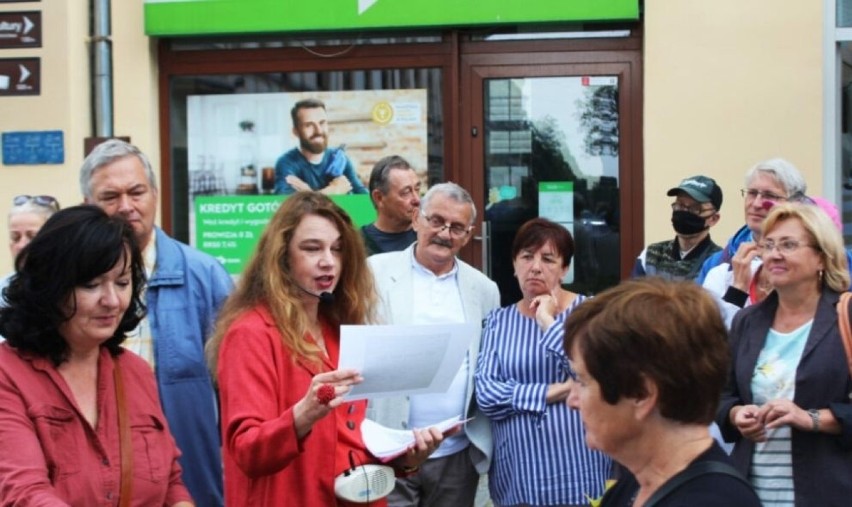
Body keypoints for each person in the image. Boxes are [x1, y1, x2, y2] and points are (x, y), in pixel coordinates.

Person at [206, 192, 442, 506]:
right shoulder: (250, 333)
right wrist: (302, 415)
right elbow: (247, 452)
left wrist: (406, 459)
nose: (328, 261)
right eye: (312, 248)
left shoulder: (338, 329)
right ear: (281, 256)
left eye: (338, 249)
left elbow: (346, 445)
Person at [0, 205, 193, 506]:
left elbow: (170, 483)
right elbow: (24, 493)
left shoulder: (135, 372)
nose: (112, 301)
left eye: (122, 282)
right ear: (50, 286)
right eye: (91, 285)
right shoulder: (8, 373)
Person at [80, 139, 233, 506]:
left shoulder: (204, 276)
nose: (126, 207)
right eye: (110, 196)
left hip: (190, 479)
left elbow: (233, 390)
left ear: (156, 194)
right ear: (87, 205)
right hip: (96, 475)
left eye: (136, 192)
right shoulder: (71, 282)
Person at [564, 278, 761, 507]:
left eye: (582, 381)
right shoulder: (634, 486)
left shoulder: (711, 501)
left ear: (642, 395)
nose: (572, 400)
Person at [368, 182, 500, 507]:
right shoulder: (373, 273)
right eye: (436, 221)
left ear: (468, 236)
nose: (445, 233)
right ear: (416, 219)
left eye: (456, 227)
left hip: (454, 454)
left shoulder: (484, 290)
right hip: (388, 445)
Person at [715, 203, 852, 506]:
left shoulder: (846, 316)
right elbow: (722, 396)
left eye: (788, 245)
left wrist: (809, 418)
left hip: (829, 492)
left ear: (821, 257)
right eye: (769, 245)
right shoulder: (748, 321)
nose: (774, 254)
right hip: (753, 493)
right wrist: (737, 415)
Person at [475, 218, 611, 506]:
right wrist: (555, 391)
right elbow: (487, 394)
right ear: (514, 266)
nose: (535, 266)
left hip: (580, 467)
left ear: (564, 269)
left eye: (548, 259)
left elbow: (593, 373)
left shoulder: (589, 312)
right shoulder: (499, 321)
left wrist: (548, 322)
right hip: (520, 473)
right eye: (526, 257)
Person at [700, 158, 807, 328]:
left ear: (795, 203)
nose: (756, 204)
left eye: (769, 196)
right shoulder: (717, 265)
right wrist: (737, 292)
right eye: (752, 193)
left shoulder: (823, 258)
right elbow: (706, 338)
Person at [631, 175, 722, 280]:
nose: (684, 212)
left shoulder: (719, 262)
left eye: (695, 208)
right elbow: (634, 295)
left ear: (714, 218)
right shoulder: (651, 255)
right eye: (680, 205)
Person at [275, 98, 368, 195]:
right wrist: (333, 190)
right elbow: (284, 205)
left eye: (322, 123)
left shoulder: (339, 158)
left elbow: (364, 199)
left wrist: (309, 194)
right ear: (296, 131)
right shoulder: (286, 163)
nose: (318, 130)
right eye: (309, 125)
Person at [1, 194, 60, 309]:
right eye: (15, 237)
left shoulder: (72, 288)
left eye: (32, 237)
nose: (22, 245)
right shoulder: (3, 291)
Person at [361, 155, 422, 255]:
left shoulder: (429, 238)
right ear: (379, 198)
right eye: (406, 192)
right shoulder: (357, 245)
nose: (417, 200)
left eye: (417, 189)